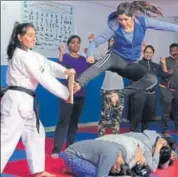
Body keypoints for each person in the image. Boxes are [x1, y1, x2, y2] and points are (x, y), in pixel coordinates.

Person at [1, 22, 75, 177]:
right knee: (6, 140)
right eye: (30, 35)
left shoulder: (32, 55)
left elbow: (47, 65)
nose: (34, 38)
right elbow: (43, 77)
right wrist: (67, 93)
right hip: (16, 101)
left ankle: (38, 171)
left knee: (36, 134)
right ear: (20, 37)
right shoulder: (21, 55)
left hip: (25, 102)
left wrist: (65, 72)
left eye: (35, 35)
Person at [73, 1, 178, 99]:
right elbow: (96, 41)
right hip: (116, 57)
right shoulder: (114, 26)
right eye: (120, 19)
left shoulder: (142, 23)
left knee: (152, 79)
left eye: (125, 19)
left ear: (132, 17)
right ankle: (78, 83)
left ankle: (119, 95)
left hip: (130, 65)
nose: (123, 22)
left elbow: (165, 26)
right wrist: (90, 54)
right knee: (102, 63)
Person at [51, 35, 89, 158]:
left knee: (74, 122)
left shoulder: (83, 59)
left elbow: (91, 68)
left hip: (80, 95)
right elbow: (60, 65)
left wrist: (90, 51)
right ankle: (56, 149)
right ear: (68, 45)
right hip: (67, 94)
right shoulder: (65, 57)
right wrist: (61, 52)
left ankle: (70, 147)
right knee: (63, 121)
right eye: (73, 43)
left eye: (78, 42)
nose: (76, 45)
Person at [88, 35, 124, 136]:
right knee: (105, 116)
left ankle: (115, 136)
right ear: (108, 42)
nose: (113, 42)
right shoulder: (105, 53)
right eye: (111, 40)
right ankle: (101, 136)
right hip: (107, 89)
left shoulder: (124, 54)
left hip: (119, 89)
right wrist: (91, 42)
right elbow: (91, 56)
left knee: (117, 116)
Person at [128, 45, 169, 132]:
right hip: (139, 93)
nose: (149, 54)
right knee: (136, 115)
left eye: (151, 53)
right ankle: (133, 132)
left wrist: (164, 63)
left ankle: (145, 132)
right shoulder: (138, 64)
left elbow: (165, 75)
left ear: (153, 53)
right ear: (143, 53)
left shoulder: (155, 66)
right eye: (147, 52)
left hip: (151, 94)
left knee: (147, 116)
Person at [60, 139, 139, 177]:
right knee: (96, 173)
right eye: (116, 167)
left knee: (103, 170)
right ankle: (73, 169)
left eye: (116, 171)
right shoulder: (110, 156)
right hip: (70, 155)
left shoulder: (122, 152)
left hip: (77, 153)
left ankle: (74, 170)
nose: (115, 168)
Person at [159, 43, 178, 134]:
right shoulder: (165, 60)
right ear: (169, 51)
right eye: (172, 50)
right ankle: (165, 129)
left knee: (177, 110)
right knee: (167, 110)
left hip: (177, 90)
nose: (174, 52)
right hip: (167, 89)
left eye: (176, 50)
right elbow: (161, 74)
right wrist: (166, 70)